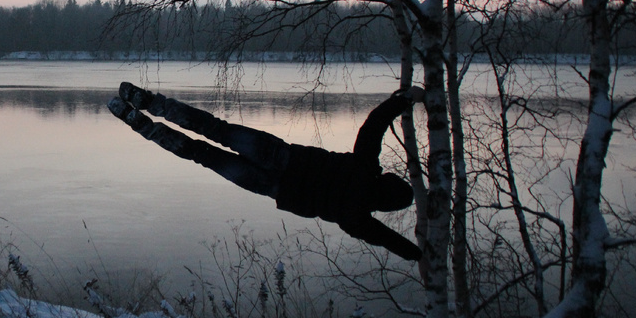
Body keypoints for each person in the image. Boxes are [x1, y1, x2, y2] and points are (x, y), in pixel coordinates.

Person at [107, 82, 424, 261]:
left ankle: (147, 101)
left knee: (214, 129)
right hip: (272, 186)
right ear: (383, 206)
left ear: (387, 179)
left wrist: (404, 99)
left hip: (280, 157)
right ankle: (140, 123)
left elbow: (375, 125)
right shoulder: (358, 218)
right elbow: (388, 240)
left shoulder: (366, 167)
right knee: (201, 154)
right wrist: (420, 255)